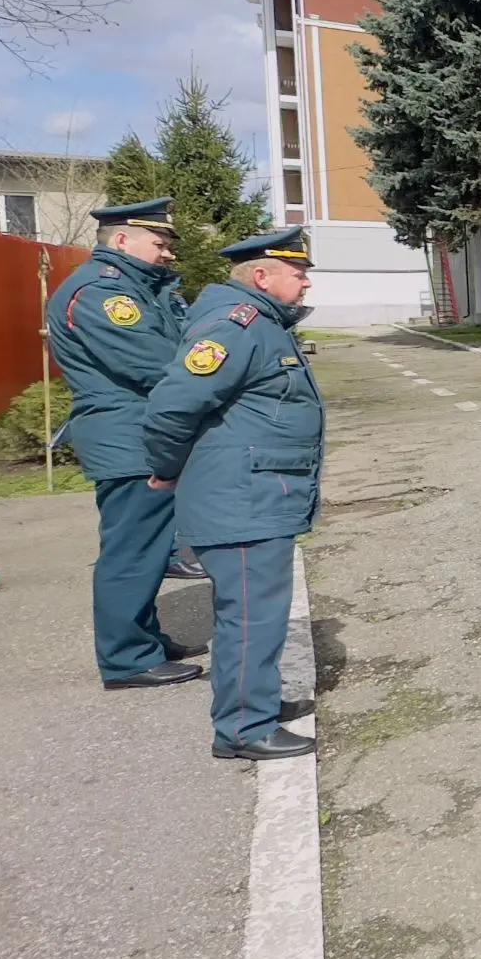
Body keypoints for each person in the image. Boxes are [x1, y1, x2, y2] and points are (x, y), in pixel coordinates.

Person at [142, 228, 323, 761]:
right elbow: (173, 406)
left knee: (257, 612)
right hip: (243, 494)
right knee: (250, 615)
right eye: (298, 274)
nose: (306, 283)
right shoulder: (235, 326)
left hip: (257, 490)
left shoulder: (260, 323)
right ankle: (244, 728)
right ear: (261, 276)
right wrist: (166, 469)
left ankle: (254, 703)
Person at [43, 197, 207, 690]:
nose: (167, 253)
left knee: (149, 549)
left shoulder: (135, 287)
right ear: (121, 240)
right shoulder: (101, 292)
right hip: (128, 436)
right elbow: (155, 361)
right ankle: (127, 659)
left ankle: (143, 639)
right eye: (159, 243)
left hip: (139, 432)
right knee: (133, 551)